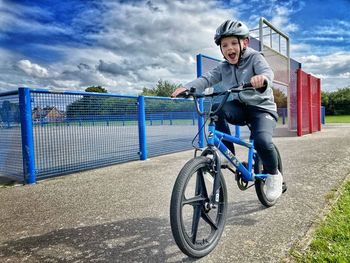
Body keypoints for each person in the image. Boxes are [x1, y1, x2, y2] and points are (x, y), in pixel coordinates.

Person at [171, 19, 283, 201]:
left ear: (244, 42)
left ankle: (274, 175)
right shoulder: (223, 67)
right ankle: (227, 154)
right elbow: (207, 78)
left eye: (233, 43)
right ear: (221, 49)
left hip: (262, 108)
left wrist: (261, 79)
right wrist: (187, 88)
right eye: (224, 45)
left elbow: (267, 73)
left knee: (262, 141)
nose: (229, 48)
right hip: (241, 108)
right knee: (217, 107)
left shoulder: (255, 58)